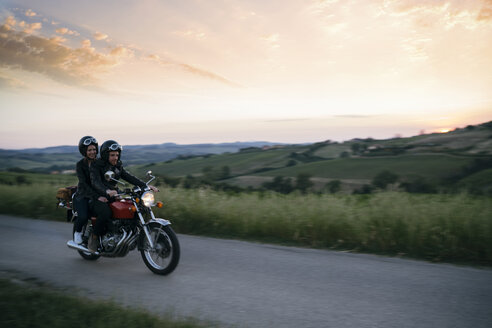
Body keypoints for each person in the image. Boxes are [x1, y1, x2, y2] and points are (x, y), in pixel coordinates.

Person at [89, 140, 158, 252]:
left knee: (132, 207)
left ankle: (127, 233)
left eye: (117, 155)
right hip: (98, 196)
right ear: (106, 155)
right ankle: (94, 237)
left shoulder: (117, 166)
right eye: (112, 155)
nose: (115, 158)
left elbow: (128, 177)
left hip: (113, 194)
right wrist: (106, 191)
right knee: (105, 212)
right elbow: (95, 182)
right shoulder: (96, 165)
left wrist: (145, 186)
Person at [72, 136, 100, 244]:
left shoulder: (99, 163)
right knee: (83, 217)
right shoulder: (80, 165)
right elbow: (83, 182)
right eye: (89, 150)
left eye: (94, 149)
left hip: (97, 194)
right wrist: (95, 194)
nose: (92, 152)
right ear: (84, 151)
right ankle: (77, 233)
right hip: (83, 194)